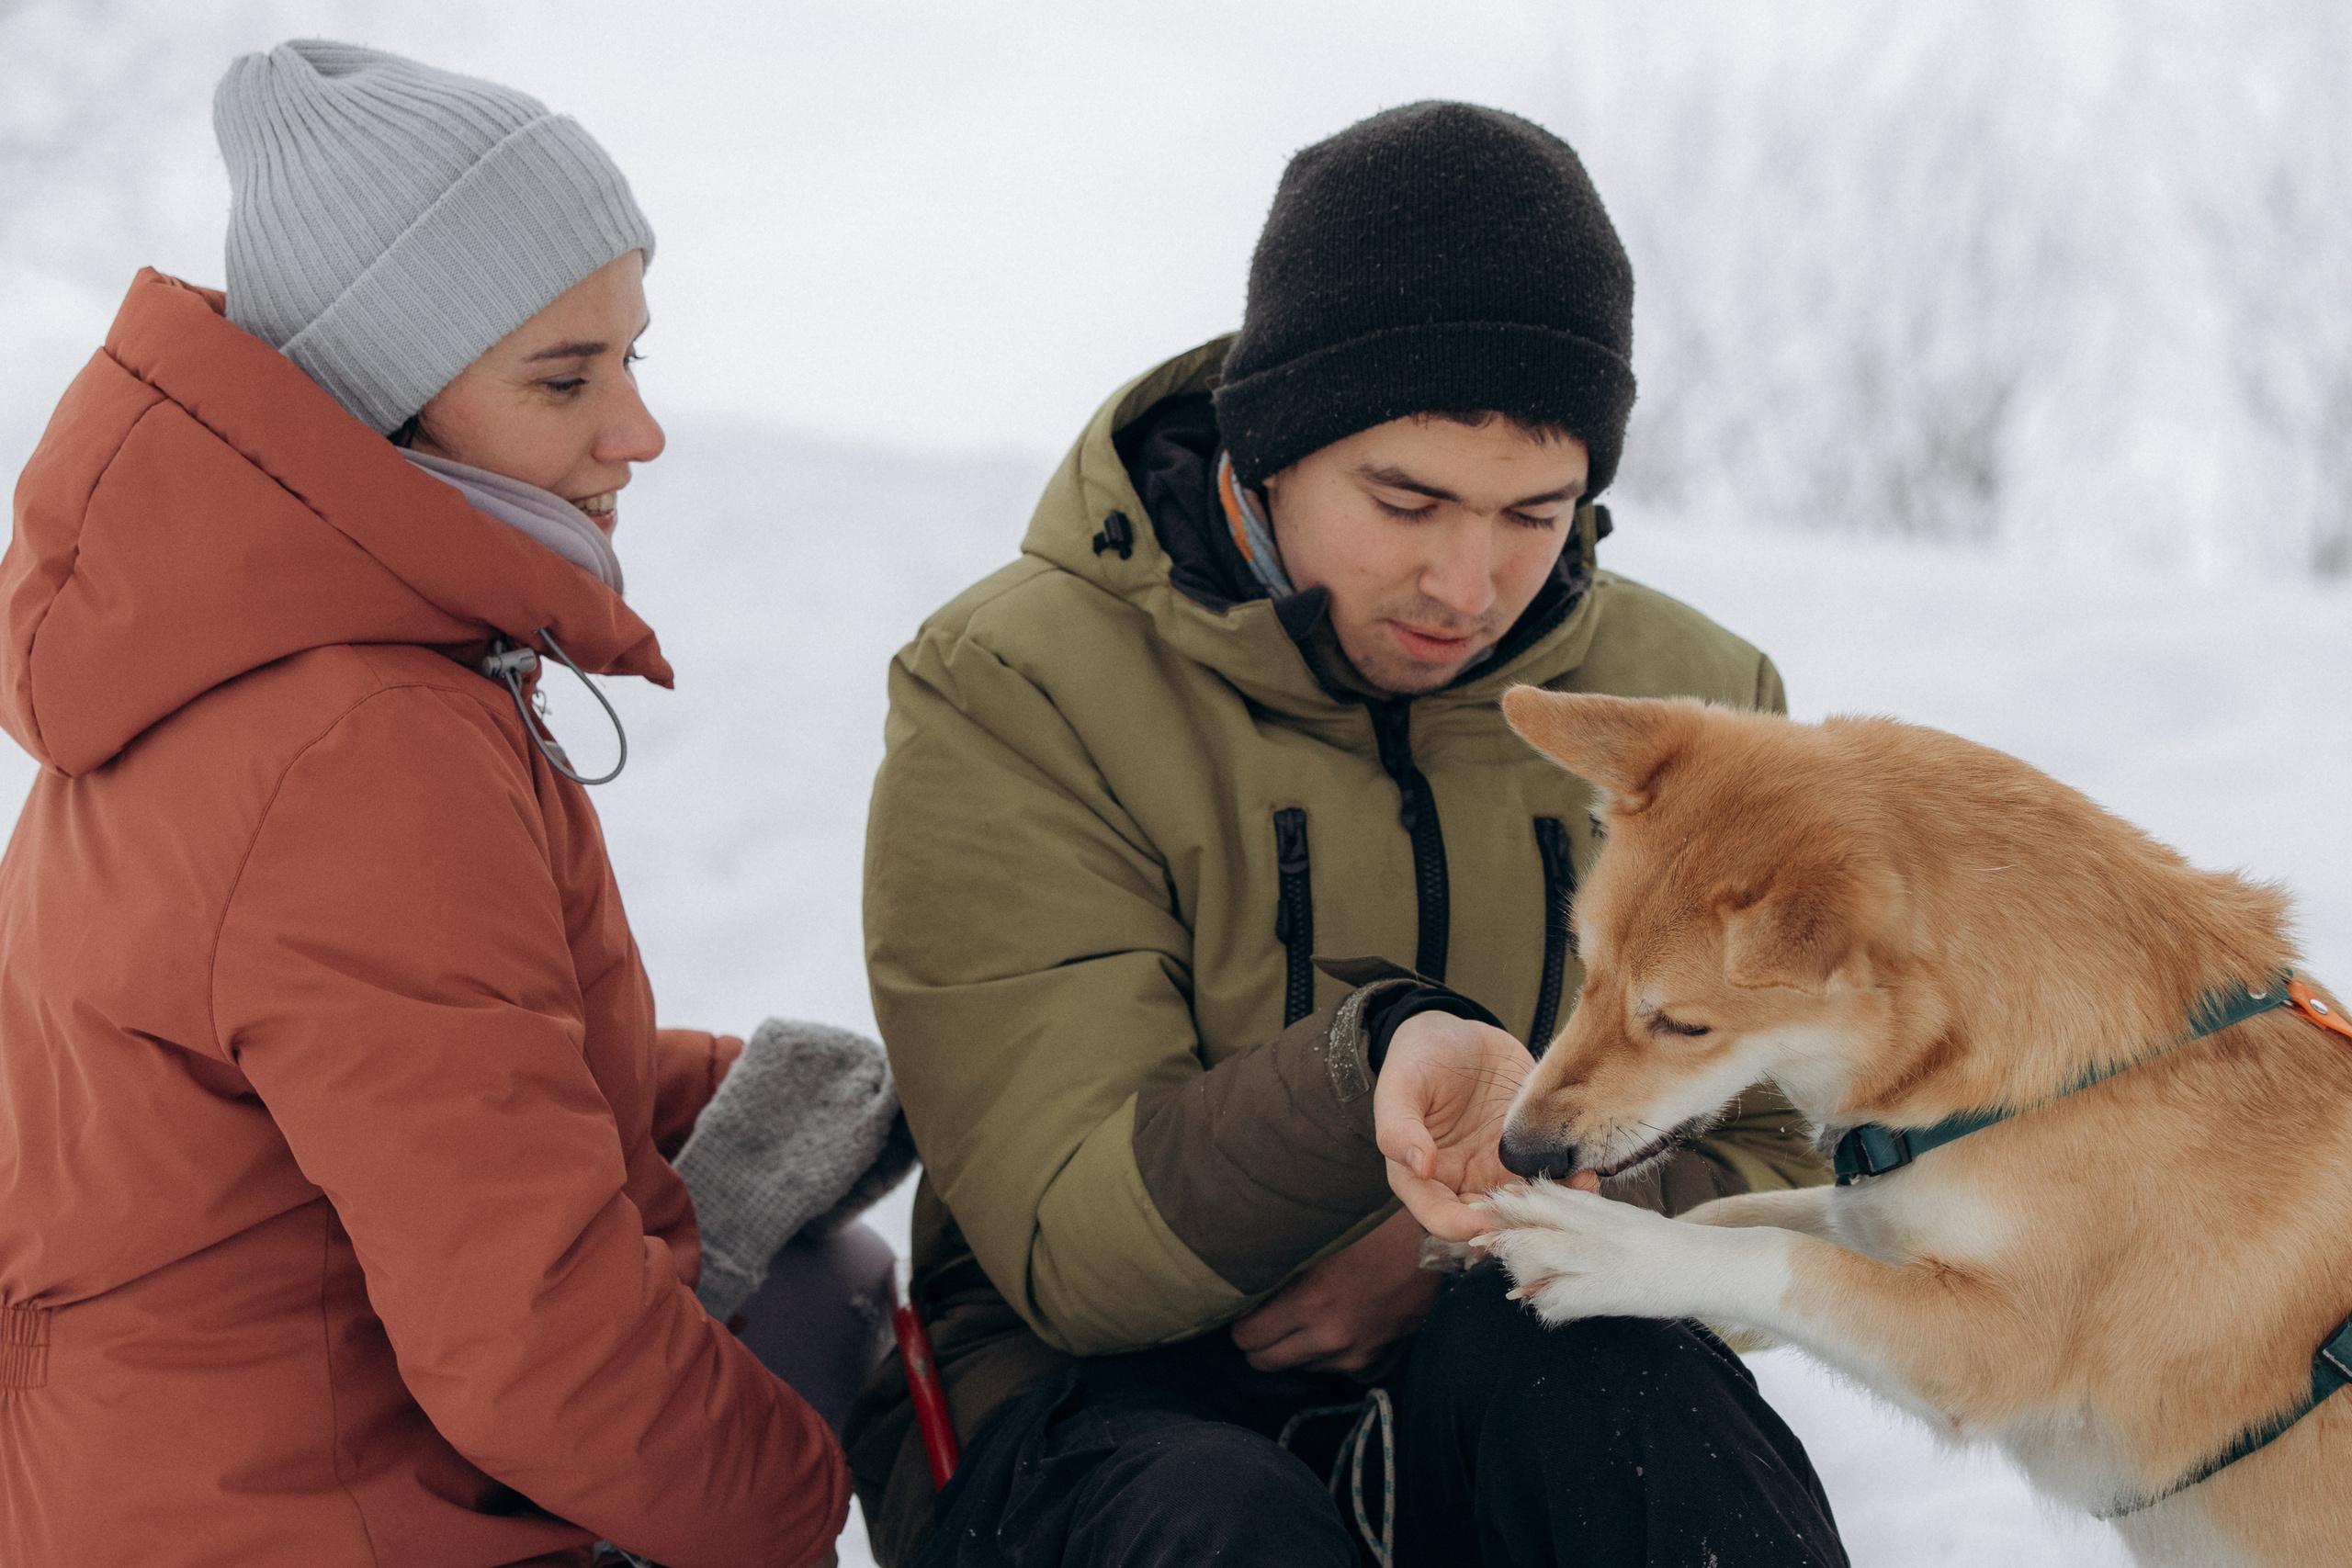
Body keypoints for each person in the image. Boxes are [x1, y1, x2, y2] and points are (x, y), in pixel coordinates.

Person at [850, 102, 1849, 1567]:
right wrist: (1368, 1076)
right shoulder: (1018, 682)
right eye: (1406, 499)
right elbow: (1074, 1251)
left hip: (1499, 1346)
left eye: (1539, 513)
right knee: (1224, 1531)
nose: (1472, 578)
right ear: (1271, 446)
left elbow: (1780, 1160)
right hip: (1088, 1405)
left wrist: (1469, 1244)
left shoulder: (1695, 715)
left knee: (1639, 1400)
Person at [0, 41, 875, 1568]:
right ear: (381, 401)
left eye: (631, 358)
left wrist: (725, 1085)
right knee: (831, 1307)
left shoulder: (217, 646)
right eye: (564, 378)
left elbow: (362, 1073)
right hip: (324, 1520)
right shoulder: (363, 744)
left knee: (815, 1269)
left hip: (161, 1483)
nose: (638, 432)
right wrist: (804, 1513)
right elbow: (533, 1347)